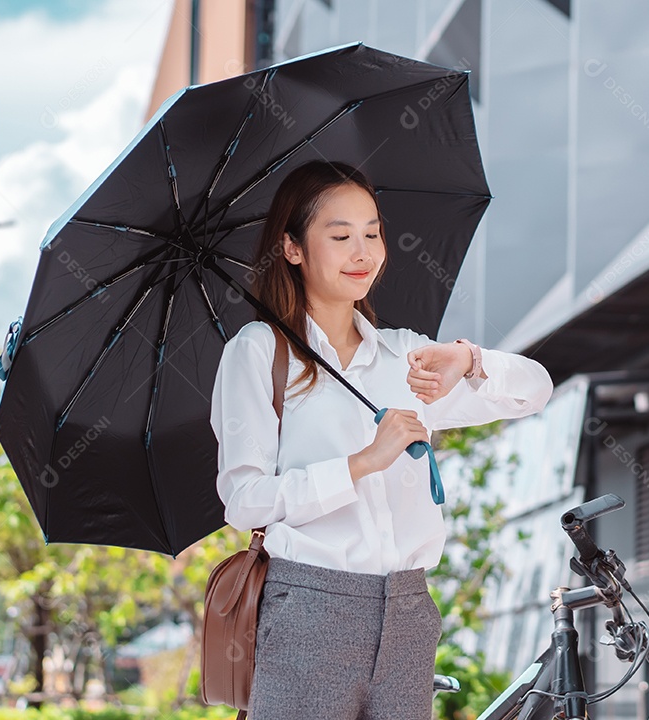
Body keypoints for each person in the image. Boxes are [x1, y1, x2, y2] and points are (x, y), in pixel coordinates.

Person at [208, 160, 553, 719]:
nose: (363, 252)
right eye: (341, 236)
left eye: (373, 233)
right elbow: (243, 500)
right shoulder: (260, 351)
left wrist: (468, 359)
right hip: (310, 610)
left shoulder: (406, 356)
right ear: (292, 248)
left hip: (410, 610)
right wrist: (362, 463)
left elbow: (534, 391)